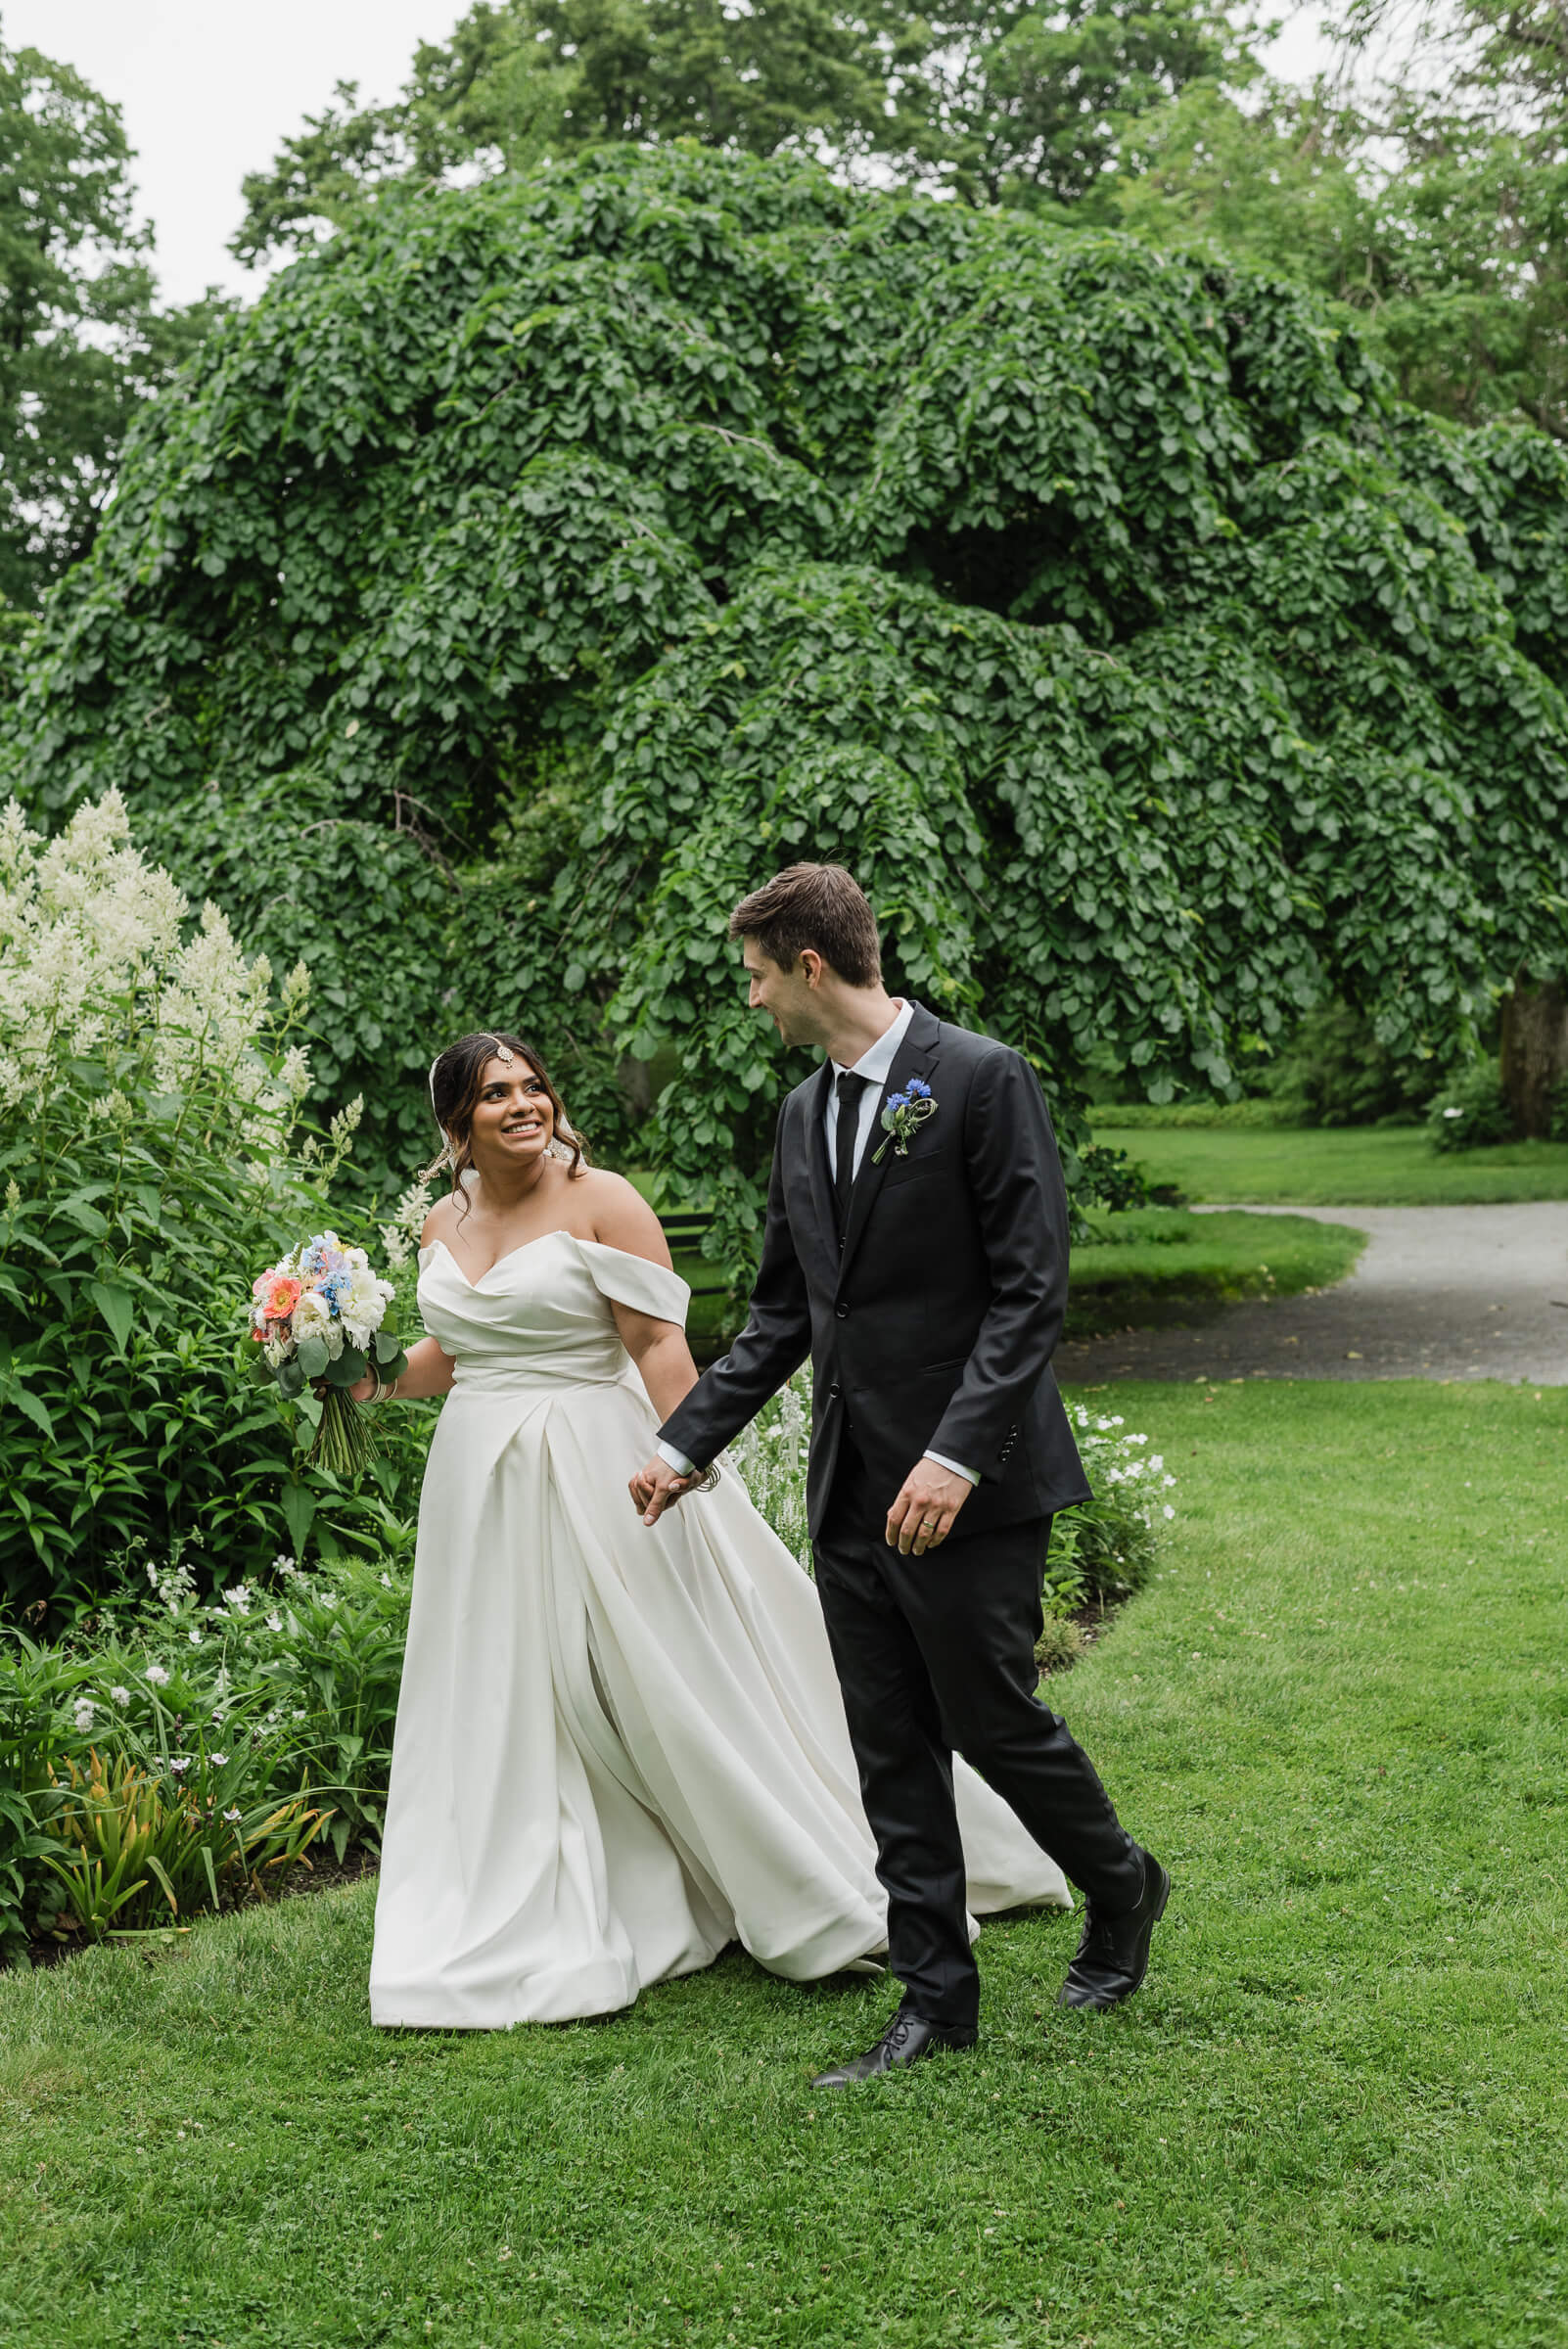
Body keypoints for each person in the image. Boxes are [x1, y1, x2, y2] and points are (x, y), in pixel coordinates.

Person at [358, 1030, 1071, 2029]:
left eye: (534, 1084)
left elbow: (657, 1345)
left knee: (666, 1674)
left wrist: (686, 1464)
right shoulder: (444, 1218)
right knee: (514, 1680)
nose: (524, 1104)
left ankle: (789, 1864)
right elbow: (462, 1348)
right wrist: (358, 1372)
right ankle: (574, 1871)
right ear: (455, 1125)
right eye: (495, 1094)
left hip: (606, 1464)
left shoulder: (602, 1201)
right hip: (482, 1479)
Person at [633, 864, 1168, 2088]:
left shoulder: (981, 1080)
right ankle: (938, 2000)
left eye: (761, 976)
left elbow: (1033, 1290)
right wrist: (681, 1446)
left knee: (991, 1718)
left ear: (810, 967)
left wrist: (952, 1455)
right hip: (850, 1491)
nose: (757, 1000)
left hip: (970, 1487)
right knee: (887, 1741)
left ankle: (1124, 1883)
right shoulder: (800, 1116)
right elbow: (781, 1315)